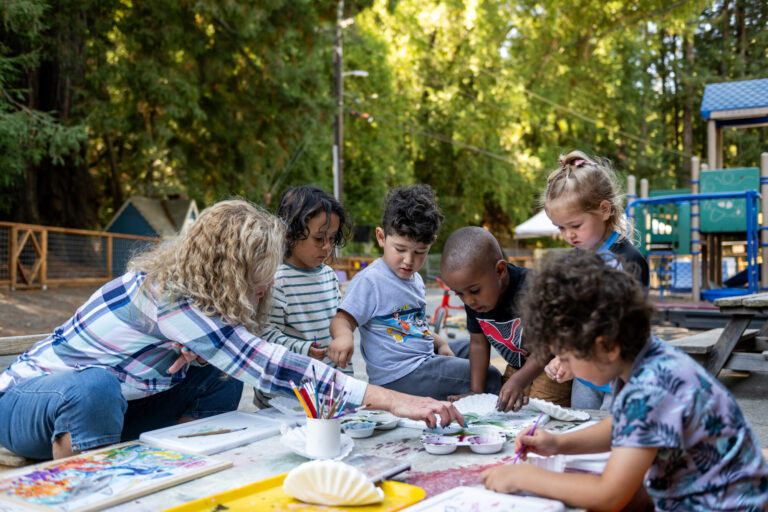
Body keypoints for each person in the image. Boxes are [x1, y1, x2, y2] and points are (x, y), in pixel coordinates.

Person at [0, 200, 463, 460]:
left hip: (118, 401)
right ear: (226, 269)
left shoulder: (202, 299)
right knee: (94, 388)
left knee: (217, 374)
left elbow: (238, 357)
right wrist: (403, 402)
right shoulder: (168, 296)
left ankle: (174, 458)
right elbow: (274, 365)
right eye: (259, 273)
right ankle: (89, 479)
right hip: (25, 403)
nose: (265, 284)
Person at [482, 252, 768, 511]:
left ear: (606, 347)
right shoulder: (644, 358)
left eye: (566, 357)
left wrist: (527, 476)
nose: (561, 365)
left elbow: (609, 495)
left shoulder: (651, 388)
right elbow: (623, 423)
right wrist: (558, 443)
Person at [328, 185, 502, 400]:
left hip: (422, 361)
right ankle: (478, 410)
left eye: (420, 252)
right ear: (381, 237)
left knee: (476, 350)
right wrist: (343, 337)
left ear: (431, 243)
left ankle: (462, 396)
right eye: (400, 249)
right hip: (399, 376)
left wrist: (441, 343)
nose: (409, 261)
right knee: (489, 376)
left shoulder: (415, 279)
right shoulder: (371, 280)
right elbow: (342, 319)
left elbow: (416, 329)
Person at [542, 150, 649, 410]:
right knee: (582, 431)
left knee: (611, 438)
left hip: (622, 377)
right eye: (561, 228)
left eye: (575, 226)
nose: (568, 235)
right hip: (586, 377)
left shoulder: (627, 261)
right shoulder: (576, 258)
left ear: (603, 210)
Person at [440, 227, 571, 411]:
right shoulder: (475, 302)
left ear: (500, 270)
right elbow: (478, 343)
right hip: (518, 366)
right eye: (460, 294)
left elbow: (547, 345)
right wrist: (475, 392)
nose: (469, 300)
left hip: (551, 365)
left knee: (542, 411)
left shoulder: (533, 288)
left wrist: (518, 380)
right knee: (509, 411)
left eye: (475, 291)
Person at [251, 186, 351, 408]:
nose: (327, 247)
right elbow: (264, 336)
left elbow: (339, 326)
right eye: (318, 238)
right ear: (290, 233)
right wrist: (303, 348)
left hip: (325, 390)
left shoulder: (328, 276)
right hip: (284, 396)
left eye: (332, 238)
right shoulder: (276, 279)